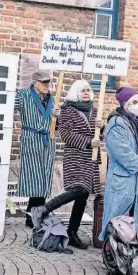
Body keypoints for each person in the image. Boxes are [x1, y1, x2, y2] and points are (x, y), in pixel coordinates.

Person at [31, 80, 102, 249]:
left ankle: (72, 232)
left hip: (90, 158)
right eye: (83, 90)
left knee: (83, 196)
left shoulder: (94, 111)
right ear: (76, 92)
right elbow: (66, 135)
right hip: (76, 157)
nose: (86, 92)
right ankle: (43, 208)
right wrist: (89, 142)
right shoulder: (67, 111)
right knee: (79, 189)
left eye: (88, 90)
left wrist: (102, 127)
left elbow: (99, 135)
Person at [99, 87, 138, 240]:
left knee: (131, 220)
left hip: (135, 181)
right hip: (122, 179)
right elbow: (122, 153)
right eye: (135, 102)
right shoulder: (117, 124)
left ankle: (126, 252)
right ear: (125, 104)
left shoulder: (133, 123)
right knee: (116, 218)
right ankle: (111, 253)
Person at [15, 71, 60, 228]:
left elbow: (58, 124)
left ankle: (35, 215)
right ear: (35, 82)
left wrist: (57, 117)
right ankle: (35, 215)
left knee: (43, 178)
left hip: (47, 141)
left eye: (48, 82)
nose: (46, 85)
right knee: (34, 177)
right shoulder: (23, 95)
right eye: (43, 82)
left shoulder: (53, 99)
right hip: (31, 139)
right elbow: (7, 107)